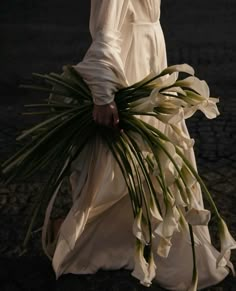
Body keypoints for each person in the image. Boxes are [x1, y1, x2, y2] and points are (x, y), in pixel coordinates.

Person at [41, 1, 232, 290]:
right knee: (125, 157)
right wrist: (103, 95)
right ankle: (98, 240)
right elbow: (106, 31)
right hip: (131, 61)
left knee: (147, 156)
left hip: (149, 55)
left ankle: (128, 239)